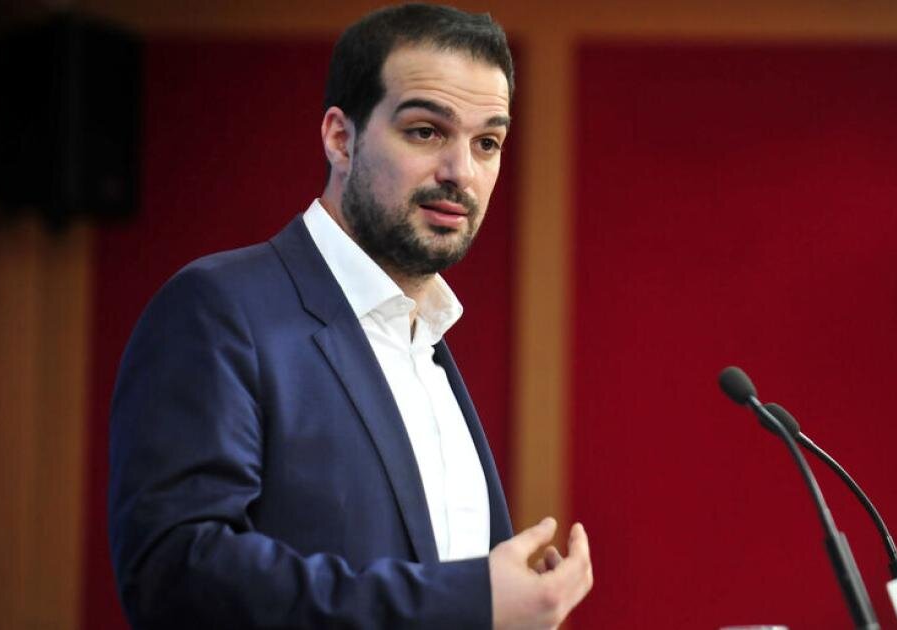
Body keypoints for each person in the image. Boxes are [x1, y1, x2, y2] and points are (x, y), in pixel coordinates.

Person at [107, 4, 592, 628]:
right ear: (341, 138)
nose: (461, 173)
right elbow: (179, 576)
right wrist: (469, 601)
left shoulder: (426, 344)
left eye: (487, 143)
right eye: (426, 131)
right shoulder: (218, 310)